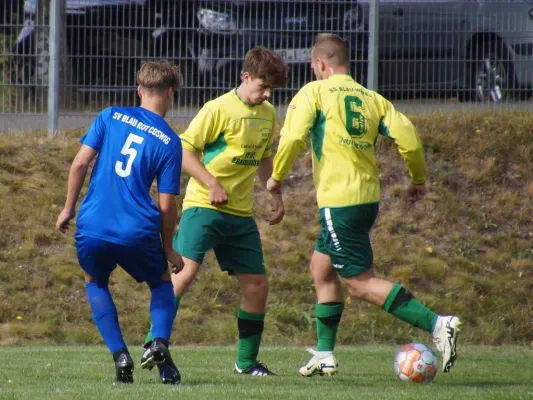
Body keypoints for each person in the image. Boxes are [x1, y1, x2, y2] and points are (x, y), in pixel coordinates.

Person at [266, 33, 461, 377]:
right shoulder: (371, 98)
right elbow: (410, 140)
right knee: (321, 268)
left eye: (314, 67)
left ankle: (437, 324)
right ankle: (325, 353)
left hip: (338, 202)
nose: (314, 72)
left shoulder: (314, 92)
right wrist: (418, 179)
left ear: (321, 64)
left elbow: (293, 136)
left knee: (358, 283)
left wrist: (276, 177)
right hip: (366, 200)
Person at [141, 47, 289, 376]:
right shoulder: (218, 108)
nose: (266, 94)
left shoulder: (267, 113)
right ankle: (154, 341)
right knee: (185, 272)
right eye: (262, 86)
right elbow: (183, 149)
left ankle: (247, 364)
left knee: (257, 285)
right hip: (204, 207)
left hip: (239, 214)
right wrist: (211, 183)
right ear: (245, 76)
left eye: (272, 90)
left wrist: (273, 192)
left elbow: (265, 157)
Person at [56, 60, 184, 385]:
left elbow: (80, 162)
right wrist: (168, 247)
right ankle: (158, 343)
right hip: (136, 229)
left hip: (93, 224)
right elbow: (168, 205)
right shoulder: (170, 141)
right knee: (161, 284)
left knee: (95, 282)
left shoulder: (110, 115)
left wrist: (68, 208)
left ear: (139, 89)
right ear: (170, 92)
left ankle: (120, 355)